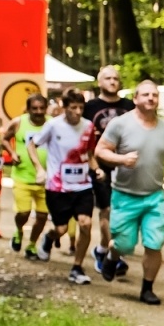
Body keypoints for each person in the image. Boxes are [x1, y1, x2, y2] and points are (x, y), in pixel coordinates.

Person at [95, 79, 164, 305]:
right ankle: (112, 255)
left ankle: (147, 289)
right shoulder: (120, 124)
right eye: (145, 95)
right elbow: (100, 151)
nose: (151, 98)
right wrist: (121, 159)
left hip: (154, 195)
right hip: (124, 194)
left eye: (154, 95)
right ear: (135, 99)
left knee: (155, 243)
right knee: (124, 244)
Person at [28, 89, 97, 285]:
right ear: (64, 108)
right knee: (61, 229)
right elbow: (31, 145)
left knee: (85, 224)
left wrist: (96, 169)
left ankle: (77, 267)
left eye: (81, 108)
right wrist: (39, 169)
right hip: (57, 187)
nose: (77, 112)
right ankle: (49, 238)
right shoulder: (53, 126)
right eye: (73, 107)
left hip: (82, 186)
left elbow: (90, 154)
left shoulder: (88, 126)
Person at [84, 65, 135, 275]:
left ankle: (103, 249)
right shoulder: (90, 106)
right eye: (108, 78)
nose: (112, 81)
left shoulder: (130, 105)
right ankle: (112, 252)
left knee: (121, 211)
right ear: (99, 82)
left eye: (116, 78)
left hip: (126, 165)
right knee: (105, 210)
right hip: (100, 165)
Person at [5, 94, 52, 258]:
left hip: (46, 180)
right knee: (23, 213)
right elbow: (5, 138)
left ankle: (32, 245)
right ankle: (18, 232)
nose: (38, 112)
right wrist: (12, 153)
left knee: (42, 216)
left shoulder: (52, 124)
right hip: (22, 177)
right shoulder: (19, 122)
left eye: (42, 108)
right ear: (28, 109)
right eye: (35, 108)